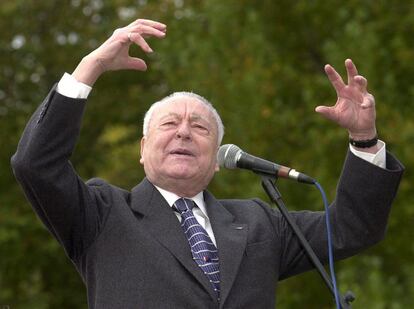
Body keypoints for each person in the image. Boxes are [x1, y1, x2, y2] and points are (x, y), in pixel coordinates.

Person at [11, 18, 403, 309]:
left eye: (199, 127)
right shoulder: (101, 215)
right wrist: (90, 66)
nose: (183, 132)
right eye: (169, 123)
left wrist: (364, 139)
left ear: (217, 159)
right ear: (142, 149)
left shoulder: (259, 223)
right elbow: (36, 165)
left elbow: (352, 229)